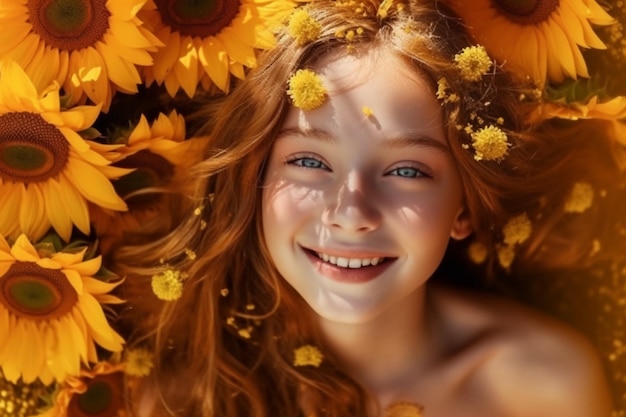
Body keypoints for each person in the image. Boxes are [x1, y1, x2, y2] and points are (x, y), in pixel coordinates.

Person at [115, 0, 622, 415]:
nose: (351, 211)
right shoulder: (186, 400)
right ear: (254, 180)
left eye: (406, 171)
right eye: (310, 160)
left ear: (464, 208)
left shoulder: (544, 388)